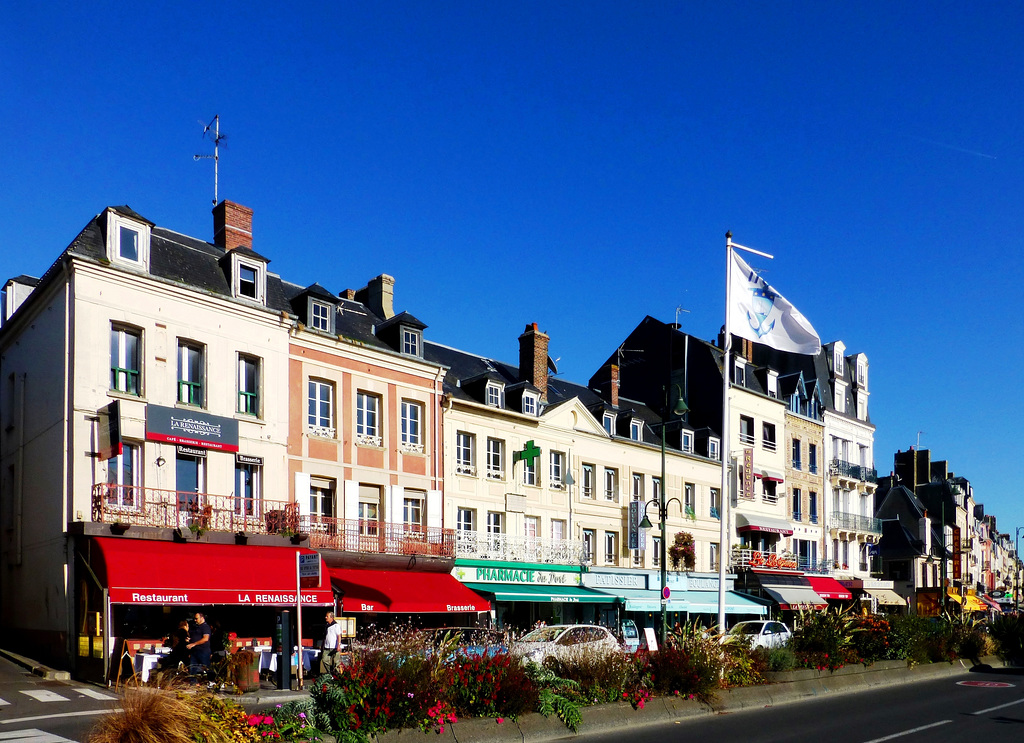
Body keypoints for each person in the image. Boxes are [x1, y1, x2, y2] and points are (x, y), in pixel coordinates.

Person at [186, 611, 212, 676]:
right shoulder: (196, 627)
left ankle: (209, 681)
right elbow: (195, 637)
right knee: (192, 669)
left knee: (206, 668)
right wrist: (190, 640)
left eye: (196, 618)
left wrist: (194, 644)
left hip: (203, 651)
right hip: (194, 652)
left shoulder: (205, 627)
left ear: (202, 618)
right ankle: (193, 683)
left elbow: (205, 638)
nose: (195, 620)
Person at [319, 611, 344, 675]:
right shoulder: (327, 626)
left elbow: (339, 635)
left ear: (331, 617)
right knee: (324, 659)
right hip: (327, 646)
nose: (325, 617)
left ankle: (338, 675)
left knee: (336, 662)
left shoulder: (336, 626)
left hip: (334, 646)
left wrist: (338, 645)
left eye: (327, 616)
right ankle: (330, 672)